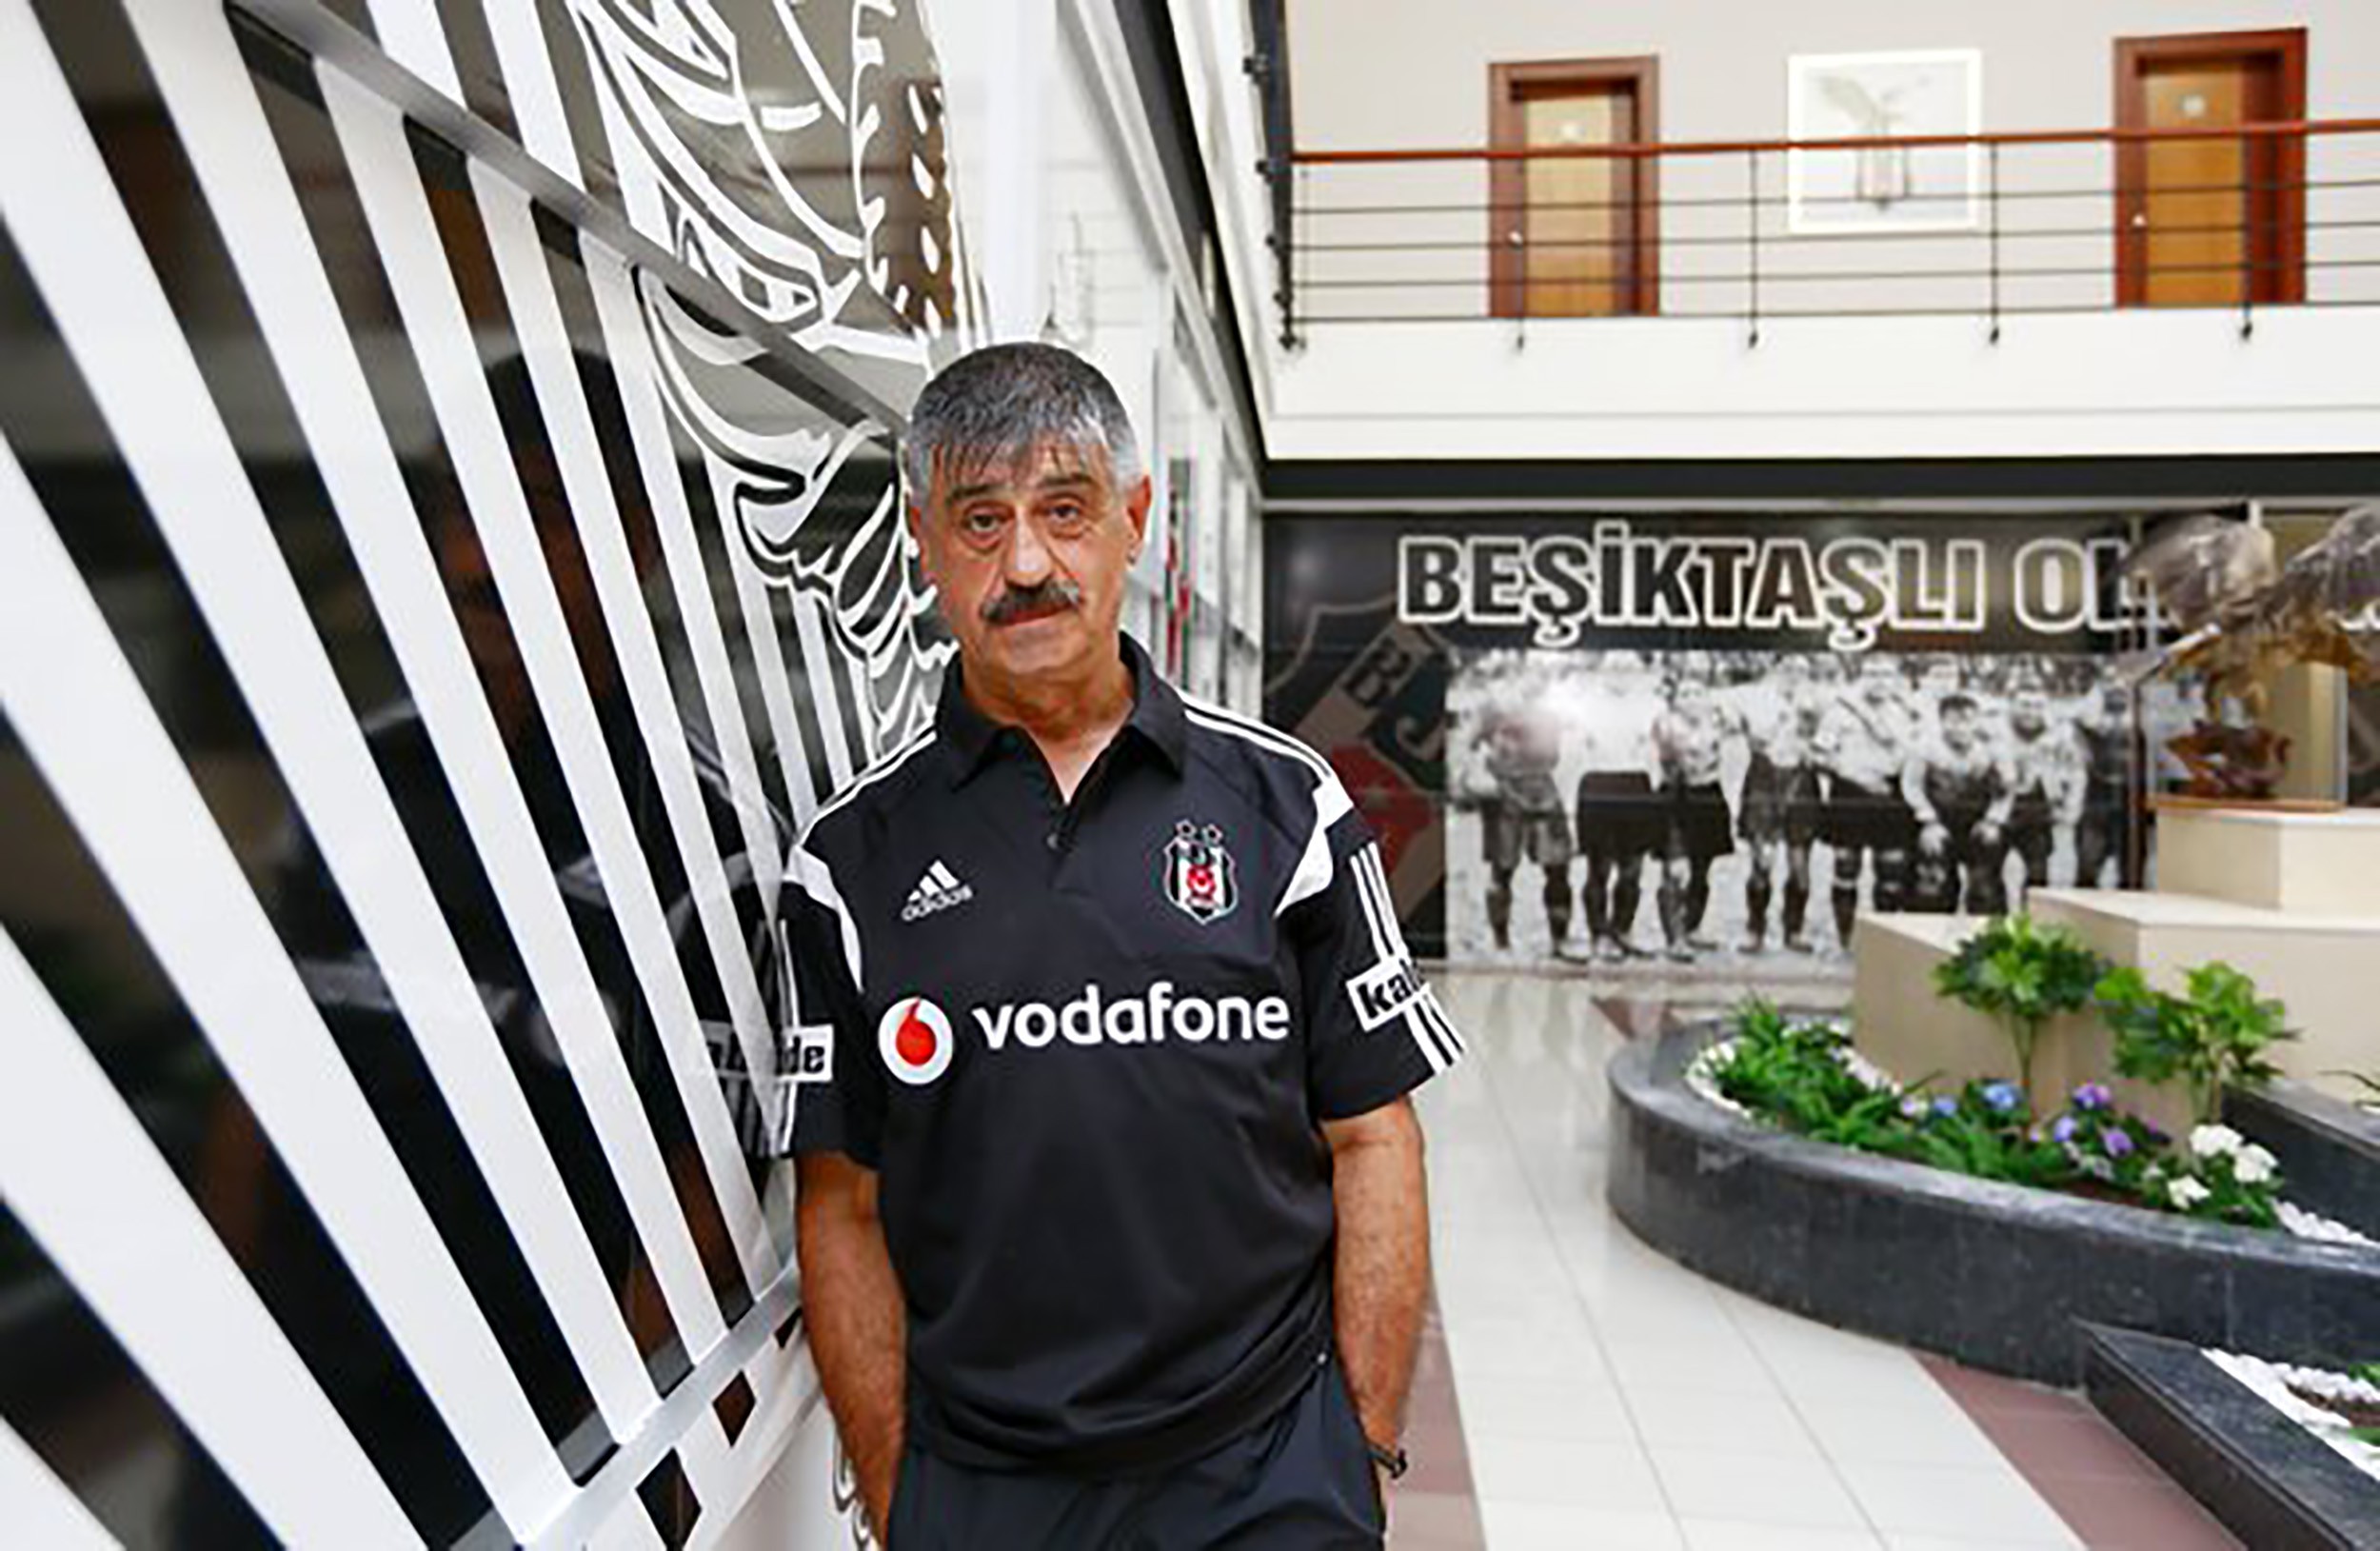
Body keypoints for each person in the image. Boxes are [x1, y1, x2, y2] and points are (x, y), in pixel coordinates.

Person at [778, 343, 1458, 1548]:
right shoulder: (849, 862)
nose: (1025, 566)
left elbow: (1372, 1134)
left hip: (1267, 1470)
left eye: (1064, 510)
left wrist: (1358, 1442)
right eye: (978, 521)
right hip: (985, 1489)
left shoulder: (1287, 805)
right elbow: (843, 1209)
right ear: (923, 542)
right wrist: (901, 1497)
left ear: (1133, 520)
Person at [1815, 655, 1919, 947]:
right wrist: (1855, 775)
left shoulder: (1907, 712)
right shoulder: (1839, 712)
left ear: (1896, 679)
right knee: (1846, 864)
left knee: (1891, 868)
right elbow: (1819, 755)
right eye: (1872, 673)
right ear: (1861, 677)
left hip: (1891, 792)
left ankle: (1882, 937)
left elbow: (1918, 754)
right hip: (1850, 793)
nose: (1879, 681)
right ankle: (1845, 937)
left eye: (1886, 674)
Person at [1468, 689, 1575, 952]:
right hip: (1505, 793)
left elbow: (1565, 751)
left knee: (1558, 868)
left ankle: (1559, 939)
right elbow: (1472, 746)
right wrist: (1483, 773)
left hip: (1544, 789)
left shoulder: (1553, 703)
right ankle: (1500, 941)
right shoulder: (1494, 704)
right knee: (1502, 870)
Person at [1573, 659, 1663, 962]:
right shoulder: (1586, 704)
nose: (1621, 675)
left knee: (1633, 868)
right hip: (1599, 783)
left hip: (1636, 784)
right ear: (1603, 672)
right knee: (1599, 866)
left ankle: (1623, 929)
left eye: (1627, 669)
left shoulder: (1649, 704)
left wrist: (1653, 789)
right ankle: (1599, 934)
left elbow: (1654, 751)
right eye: (1615, 668)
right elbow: (1576, 752)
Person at [1649, 671, 1740, 963]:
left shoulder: (1716, 721)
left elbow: (1737, 726)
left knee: (1703, 866)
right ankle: (1674, 937)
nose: (1691, 699)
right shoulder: (1665, 724)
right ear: (1675, 700)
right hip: (1676, 796)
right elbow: (1675, 761)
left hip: (1708, 795)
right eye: (1685, 694)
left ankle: (1692, 926)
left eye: (1697, 693)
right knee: (1676, 869)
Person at [1735, 656, 1825, 954]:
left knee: (1800, 864)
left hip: (1801, 780)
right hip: (1765, 779)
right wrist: (1782, 721)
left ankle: (1794, 930)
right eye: (1788, 668)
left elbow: (1826, 744)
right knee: (1762, 861)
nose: (1794, 675)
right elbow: (1754, 737)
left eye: (1801, 670)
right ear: (1775, 670)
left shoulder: (1819, 700)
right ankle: (1755, 929)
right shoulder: (1756, 699)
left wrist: (1814, 739)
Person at [1902, 692, 2015, 915]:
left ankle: (1986, 927)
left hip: (1977, 823)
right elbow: (1912, 786)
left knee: (1986, 882)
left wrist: (1993, 820)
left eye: (1967, 721)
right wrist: (1928, 821)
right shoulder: (1925, 748)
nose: (1960, 728)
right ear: (1941, 721)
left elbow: (2005, 790)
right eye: (1953, 721)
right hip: (1939, 819)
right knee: (1932, 880)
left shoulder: (1993, 750)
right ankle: (1931, 927)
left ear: (1977, 722)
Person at [2001, 687, 2081, 902]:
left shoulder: (2059, 739)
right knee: (1987, 878)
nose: (2031, 712)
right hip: (2000, 811)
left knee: (2037, 877)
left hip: (2038, 812)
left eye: (2038, 706)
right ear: (2011, 705)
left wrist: (2070, 808)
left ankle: (2030, 920)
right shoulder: (1995, 734)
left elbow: (2076, 773)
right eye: (2025, 705)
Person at [2073, 683, 2133, 887]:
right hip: (2098, 796)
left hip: (2130, 800)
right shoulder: (2093, 725)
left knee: (2130, 874)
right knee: (2088, 867)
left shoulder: (2136, 725)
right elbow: (2080, 718)